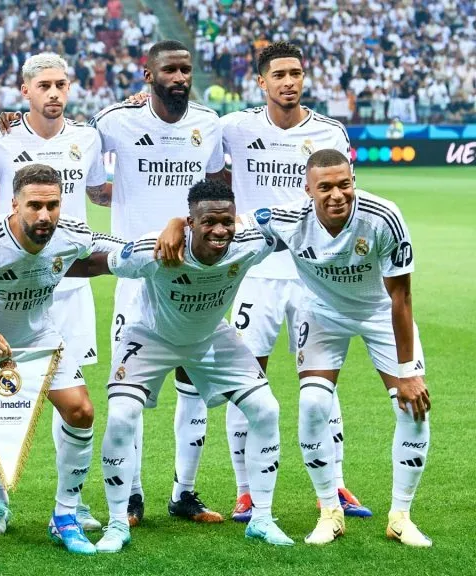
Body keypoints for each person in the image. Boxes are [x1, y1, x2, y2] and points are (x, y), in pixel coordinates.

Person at [161, 150, 431, 546]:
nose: (337, 194)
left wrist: (409, 373)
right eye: (325, 187)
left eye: (344, 184)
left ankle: (401, 515)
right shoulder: (287, 219)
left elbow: (401, 298)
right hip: (321, 313)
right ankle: (329, 511)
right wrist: (174, 224)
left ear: (353, 180)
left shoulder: (383, 217)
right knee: (314, 404)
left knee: (413, 405)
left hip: (378, 313)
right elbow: (223, 226)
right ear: (308, 190)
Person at [0, 164, 124, 560]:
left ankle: (64, 516)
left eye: (52, 205)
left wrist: (160, 241)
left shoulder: (70, 234)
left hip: (38, 339)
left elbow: (112, 244)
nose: (45, 215)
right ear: (14, 204)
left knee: (81, 411)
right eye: (34, 205)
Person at [85, 178, 294, 550]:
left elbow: (296, 223)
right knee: (120, 415)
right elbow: (99, 262)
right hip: (150, 336)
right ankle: (117, 524)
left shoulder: (251, 242)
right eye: (209, 221)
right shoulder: (157, 249)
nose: (220, 230)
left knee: (266, 409)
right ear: (191, 223)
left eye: (226, 221)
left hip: (210, 336)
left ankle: (261, 518)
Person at [0, 52, 108, 533]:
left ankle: (72, 504)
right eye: (44, 86)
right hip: (9, 286)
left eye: (62, 84)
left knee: (73, 401)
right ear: (26, 90)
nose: (54, 93)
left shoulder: (88, 137)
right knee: (2, 399)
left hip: (69, 282)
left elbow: (100, 194)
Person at [216, 41, 365, 521]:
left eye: (295, 73)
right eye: (278, 74)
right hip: (253, 275)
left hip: (313, 277)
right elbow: (187, 130)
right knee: (246, 381)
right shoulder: (234, 128)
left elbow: (344, 199)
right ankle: (244, 490)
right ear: (261, 82)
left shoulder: (329, 131)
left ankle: (337, 484)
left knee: (321, 382)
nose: (289, 81)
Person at [93, 40, 227, 526]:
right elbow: (88, 181)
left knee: (193, 385)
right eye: (169, 69)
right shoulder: (115, 122)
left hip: (197, 276)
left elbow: (216, 190)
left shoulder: (209, 124)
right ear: (147, 75)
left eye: (185, 69)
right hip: (139, 278)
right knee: (129, 390)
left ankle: (184, 494)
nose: (180, 77)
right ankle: (130, 497)